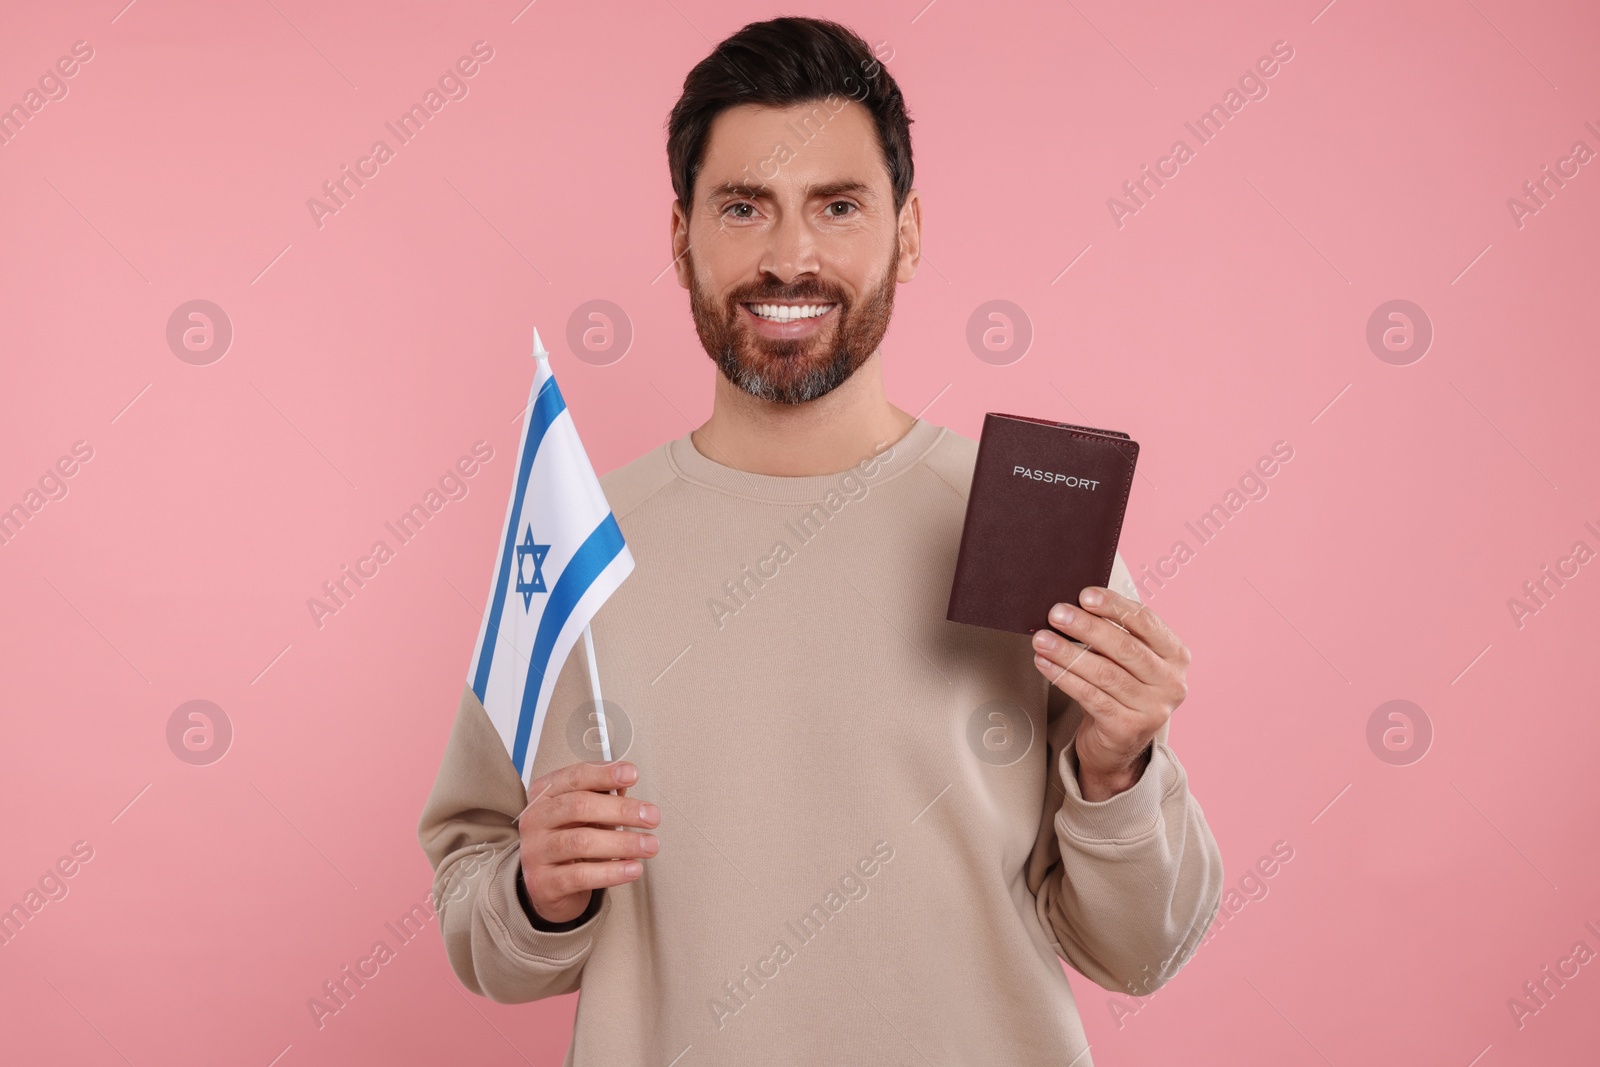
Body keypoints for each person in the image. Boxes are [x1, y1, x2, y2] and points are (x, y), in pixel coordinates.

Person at [418, 16, 1222, 1065]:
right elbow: (476, 907)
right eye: (743, 207)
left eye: (836, 206)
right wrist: (534, 888)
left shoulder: (1026, 524)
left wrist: (1118, 770)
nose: (788, 255)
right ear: (680, 236)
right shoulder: (574, 542)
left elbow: (1142, 948)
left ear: (908, 230)